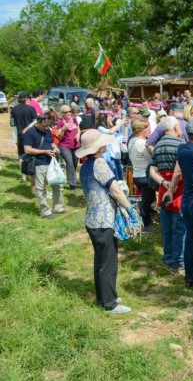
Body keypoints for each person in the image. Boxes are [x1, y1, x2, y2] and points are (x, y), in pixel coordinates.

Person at [76, 129, 133, 314]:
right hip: (103, 219)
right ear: (99, 146)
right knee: (108, 262)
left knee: (101, 261)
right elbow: (115, 190)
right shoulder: (99, 163)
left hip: (93, 219)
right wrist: (130, 209)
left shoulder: (85, 165)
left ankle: (105, 297)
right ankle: (110, 304)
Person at [165, 117, 193, 289]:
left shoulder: (182, 149)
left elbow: (177, 171)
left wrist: (171, 189)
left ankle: (190, 276)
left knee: (190, 240)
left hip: (187, 198)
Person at [148, 116, 186, 272]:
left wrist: (163, 183)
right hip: (178, 189)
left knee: (167, 227)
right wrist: (173, 185)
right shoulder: (181, 145)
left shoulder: (157, 146)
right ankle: (178, 260)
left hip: (164, 187)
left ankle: (167, 257)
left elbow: (152, 171)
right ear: (176, 127)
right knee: (179, 228)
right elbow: (179, 170)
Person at [23, 112, 65, 219]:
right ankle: (45, 211)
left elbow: (51, 143)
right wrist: (44, 152)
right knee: (41, 188)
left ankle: (58, 207)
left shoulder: (47, 131)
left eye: (47, 126)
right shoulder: (30, 133)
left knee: (58, 185)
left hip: (51, 162)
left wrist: (55, 147)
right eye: (44, 126)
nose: (45, 128)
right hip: (38, 163)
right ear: (38, 122)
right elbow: (27, 149)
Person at [127, 118, 155, 230]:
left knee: (145, 200)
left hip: (137, 175)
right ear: (141, 129)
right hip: (144, 176)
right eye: (146, 127)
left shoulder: (132, 140)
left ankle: (145, 220)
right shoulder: (142, 143)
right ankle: (144, 225)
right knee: (145, 202)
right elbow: (150, 159)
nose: (148, 129)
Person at [12, 91, 38, 182]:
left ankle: (23, 177)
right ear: (27, 99)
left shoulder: (14, 109)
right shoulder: (31, 109)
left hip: (20, 135)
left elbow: (12, 124)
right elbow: (35, 122)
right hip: (31, 134)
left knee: (21, 156)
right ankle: (33, 174)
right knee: (32, 154)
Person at [56, 105, 80, 190]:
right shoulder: (60, 122)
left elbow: (78, 129)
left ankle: (71, 179)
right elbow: (59, 137)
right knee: (69, 163)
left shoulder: (74, 119)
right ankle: (72, 185)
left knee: (74, 164)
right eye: (66, 112)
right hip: (65, 146)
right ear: (62, 113)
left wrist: (78, 134)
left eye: (70, 111)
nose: (69, 113)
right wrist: (63, 129)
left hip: (76, 146)